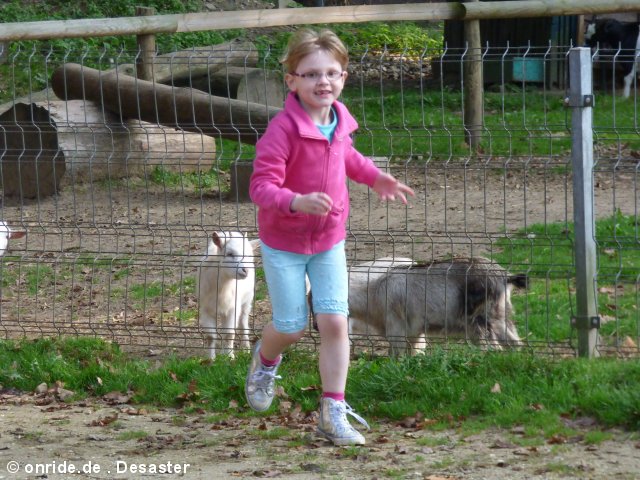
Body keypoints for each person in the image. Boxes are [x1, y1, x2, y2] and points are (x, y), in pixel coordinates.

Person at [246, 28, 414, 446]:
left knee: (336, 322)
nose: (323, 81)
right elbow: (260, 187)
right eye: (311, 74)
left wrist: (375, 178)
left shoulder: (339, 121)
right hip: (284, 244)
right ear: (292, 81)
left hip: (328, 242)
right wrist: (295, 201)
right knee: (291, 327)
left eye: (331, 73)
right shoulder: (282, 130)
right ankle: (265, 359)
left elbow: (348, 157)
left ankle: (332, 412)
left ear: (343, 77)